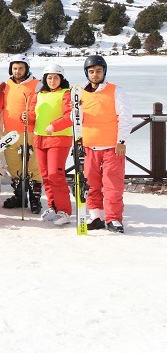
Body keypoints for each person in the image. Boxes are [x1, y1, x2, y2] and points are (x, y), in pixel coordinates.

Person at [79, 56, 133, 233]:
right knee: (91, 184)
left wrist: (122, 141)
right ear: (87, 73)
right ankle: (96, 216)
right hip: (89, 146)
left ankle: (114, 218)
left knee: (112, 185)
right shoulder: (81, 93)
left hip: (112, 147)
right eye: (91, 72)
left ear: (104, 72)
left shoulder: (115, 91)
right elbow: (77, 119)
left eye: (98, 71)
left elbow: (124, 117)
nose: (95, 75)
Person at [0, 54, 43, 214]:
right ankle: (19, 196)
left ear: (26, 69)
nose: (17, 71)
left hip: (29, 131)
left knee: (32, 166)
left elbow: (42, 107)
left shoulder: (37, 84)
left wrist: (31, 116)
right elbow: (4, 104)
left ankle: (35, 199)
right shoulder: (7, 84)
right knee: (14, 167)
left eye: (20, 68)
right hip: (9, 132)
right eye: (14, 68)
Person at [28, 64, 73, 226]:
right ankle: (53, 206)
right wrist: (25, 117)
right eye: (49, 77)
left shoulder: (65, 94)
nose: (52, 80)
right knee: (46, 176)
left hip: (59, 139)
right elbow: (33, 115)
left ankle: (64, 211)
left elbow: (71, 115)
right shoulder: (39, 94)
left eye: (56, 77)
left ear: (61, 79)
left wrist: (55, 125)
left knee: (55, 175)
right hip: (40, 139)